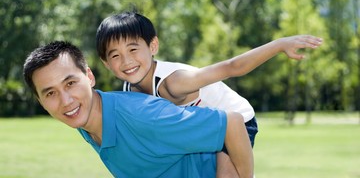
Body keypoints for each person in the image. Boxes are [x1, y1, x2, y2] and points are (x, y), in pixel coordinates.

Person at [96, 11, 323, 177]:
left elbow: (231, 67)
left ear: (153, 46)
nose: (126, 61)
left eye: (133, 49)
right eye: (115, 55)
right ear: (106, 63)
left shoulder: (174, 82)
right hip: (201, 131)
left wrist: (279, 44)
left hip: (236, 122)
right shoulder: (129, 90)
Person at [23, 41, 254, 178]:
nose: (65, 101)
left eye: (70, 83)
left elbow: (231, 122)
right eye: (50, 93)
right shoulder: (85, 119)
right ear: (40, 100)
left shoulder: (144, 115)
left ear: (89, 76)